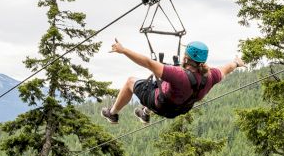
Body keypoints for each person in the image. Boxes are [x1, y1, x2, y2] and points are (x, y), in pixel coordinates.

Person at [101, 39, 245, 123]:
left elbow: (148, 63)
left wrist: (123, 50)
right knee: (163, 88)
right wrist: (237, 63)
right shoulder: (210, 76)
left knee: (130, 82)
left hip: (161, 104)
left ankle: (113, 114)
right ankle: (145, 113)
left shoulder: (178, 75)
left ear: (186, 58)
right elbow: (226, 68)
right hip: (178, 110)